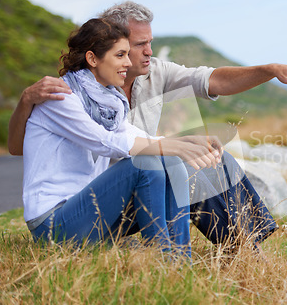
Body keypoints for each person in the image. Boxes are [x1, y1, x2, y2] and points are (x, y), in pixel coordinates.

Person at [9, 1, 287, 250]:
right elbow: (106, 142)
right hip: (97, 200)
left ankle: (243, 249)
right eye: (132, 47)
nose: (147, 52)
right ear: (102, 50)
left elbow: (211, 80)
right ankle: (175, 260)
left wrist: (269, 70)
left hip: (116, 200)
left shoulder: (130, 86)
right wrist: (25, 100)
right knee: (155, 162)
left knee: (208, 160)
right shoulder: (64, 93)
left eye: (150, 42)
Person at [22, 18, 223, 258]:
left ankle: (180, 261)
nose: (128, 63)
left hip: (89, 212)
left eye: (128, 55)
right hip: (53, 224)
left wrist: (186, 143)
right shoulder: (61, 97)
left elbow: (133, 135)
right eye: (120, 55)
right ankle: (161, 261)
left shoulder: (106, 100)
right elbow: (105, 142)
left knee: (170, 161)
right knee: (145, 162)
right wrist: (173, 147)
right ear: (92, 59)